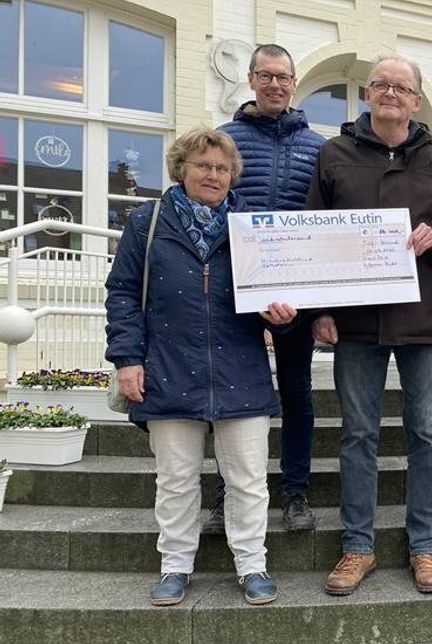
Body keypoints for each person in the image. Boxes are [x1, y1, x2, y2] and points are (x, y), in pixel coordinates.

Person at [105, 128, 296, 606]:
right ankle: (175, 566)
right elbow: (123, 294)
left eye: (223, 168)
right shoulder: (147, 223)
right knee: (175, 479)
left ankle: (253, 565)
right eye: (203, 166)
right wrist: (127, 359)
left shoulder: (252, 227)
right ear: (180, 170)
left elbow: (278, 295)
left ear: (233, 176)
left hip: (241, 369)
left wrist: (284, 316)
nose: (213, 175)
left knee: (249, 479)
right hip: (169, 367)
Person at [305, 55, 432, 596]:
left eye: (402, 87)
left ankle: (424, 545)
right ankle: (357, 546)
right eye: (381, 85)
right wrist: (319, 310)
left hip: (423, 318)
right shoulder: (334, 154)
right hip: (355, 322)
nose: (390, 94)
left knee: (427, 434)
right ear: (368, 95)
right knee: (358, 436)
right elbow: (313, 236)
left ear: (416, 100)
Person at [206, 43, 326, 534]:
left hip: (296, 293)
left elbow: (326, 221)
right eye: (266, 76)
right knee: (231, 398)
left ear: (295, 83)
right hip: (233, 291)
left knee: (296, 392)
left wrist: (320, 305)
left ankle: (295, 493)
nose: (275, 84)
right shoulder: (225, 140)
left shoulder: (320, 147)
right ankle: (225, 496)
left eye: (283, 76)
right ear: (251, 80)